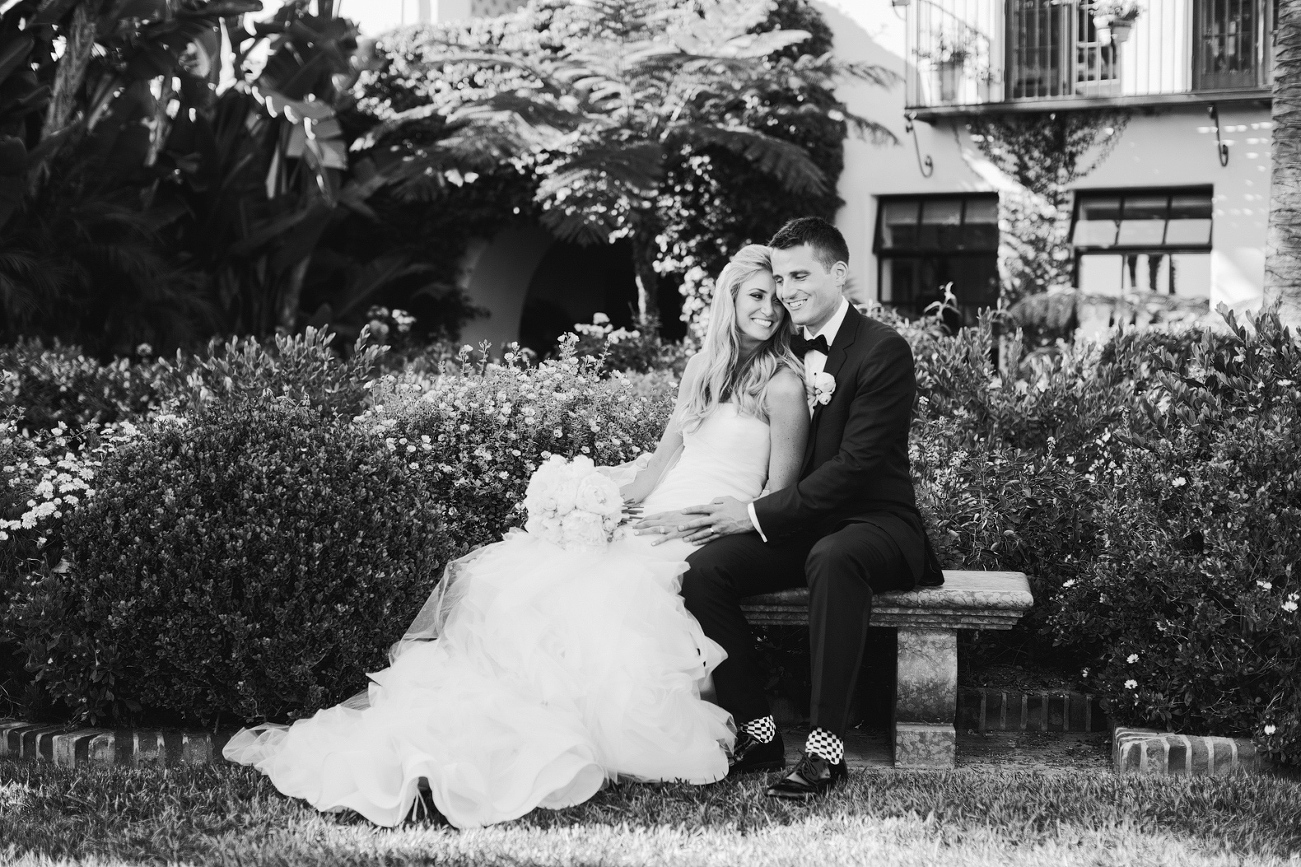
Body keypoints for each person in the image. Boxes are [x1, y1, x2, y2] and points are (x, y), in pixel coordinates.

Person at [222, 244, 809, 829]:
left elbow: (779, 497)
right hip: (654, 516)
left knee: (605, 597)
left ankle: (551, 740)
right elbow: (659, 466)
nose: (770, 310)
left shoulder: (782, 387)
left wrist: (700, 519)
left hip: (710, 528)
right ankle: (467, 739)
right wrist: (601, 504)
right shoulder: (704, 373)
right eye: (757, 296)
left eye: (776, 300)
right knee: (533, 581)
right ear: (730, 299)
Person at [658, 217, 943, 800]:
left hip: (875, 523)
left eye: (800, 276)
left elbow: (856, 467)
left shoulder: (883, 350)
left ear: (838, 274)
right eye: (781, 278)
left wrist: (756, 515)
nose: (786, 291)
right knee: (704, 569)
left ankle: (825, 751)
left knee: (835, 557)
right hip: (803, 524)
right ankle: (759, 732)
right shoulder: (781, 347)